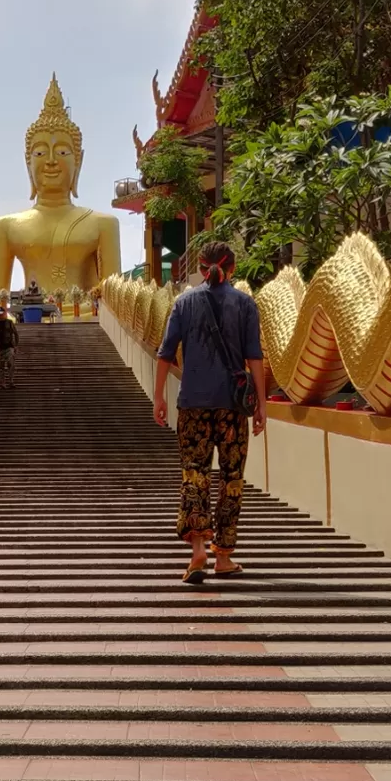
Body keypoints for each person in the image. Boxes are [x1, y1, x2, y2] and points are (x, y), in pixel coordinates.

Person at [153, 241, 267, 585]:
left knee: (195, 474)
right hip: (233, 407)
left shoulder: (184, 303)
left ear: (201, 269)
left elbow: (165, 353)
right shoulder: (245, 304)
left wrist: (158, 397)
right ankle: (224, 557)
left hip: (193, 406)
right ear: (232, 269)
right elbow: (255, 357)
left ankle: (198, 551)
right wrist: (261, 404)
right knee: (231, 478)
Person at [0, 308, 18, 389]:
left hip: (9, 346)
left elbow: (15, 333)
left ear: (5, 313)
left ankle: (11, 381)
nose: (0, 314)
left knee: (11, 364)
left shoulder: (9, 322)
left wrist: (16, 345)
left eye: (1, 313)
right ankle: (2, 383)